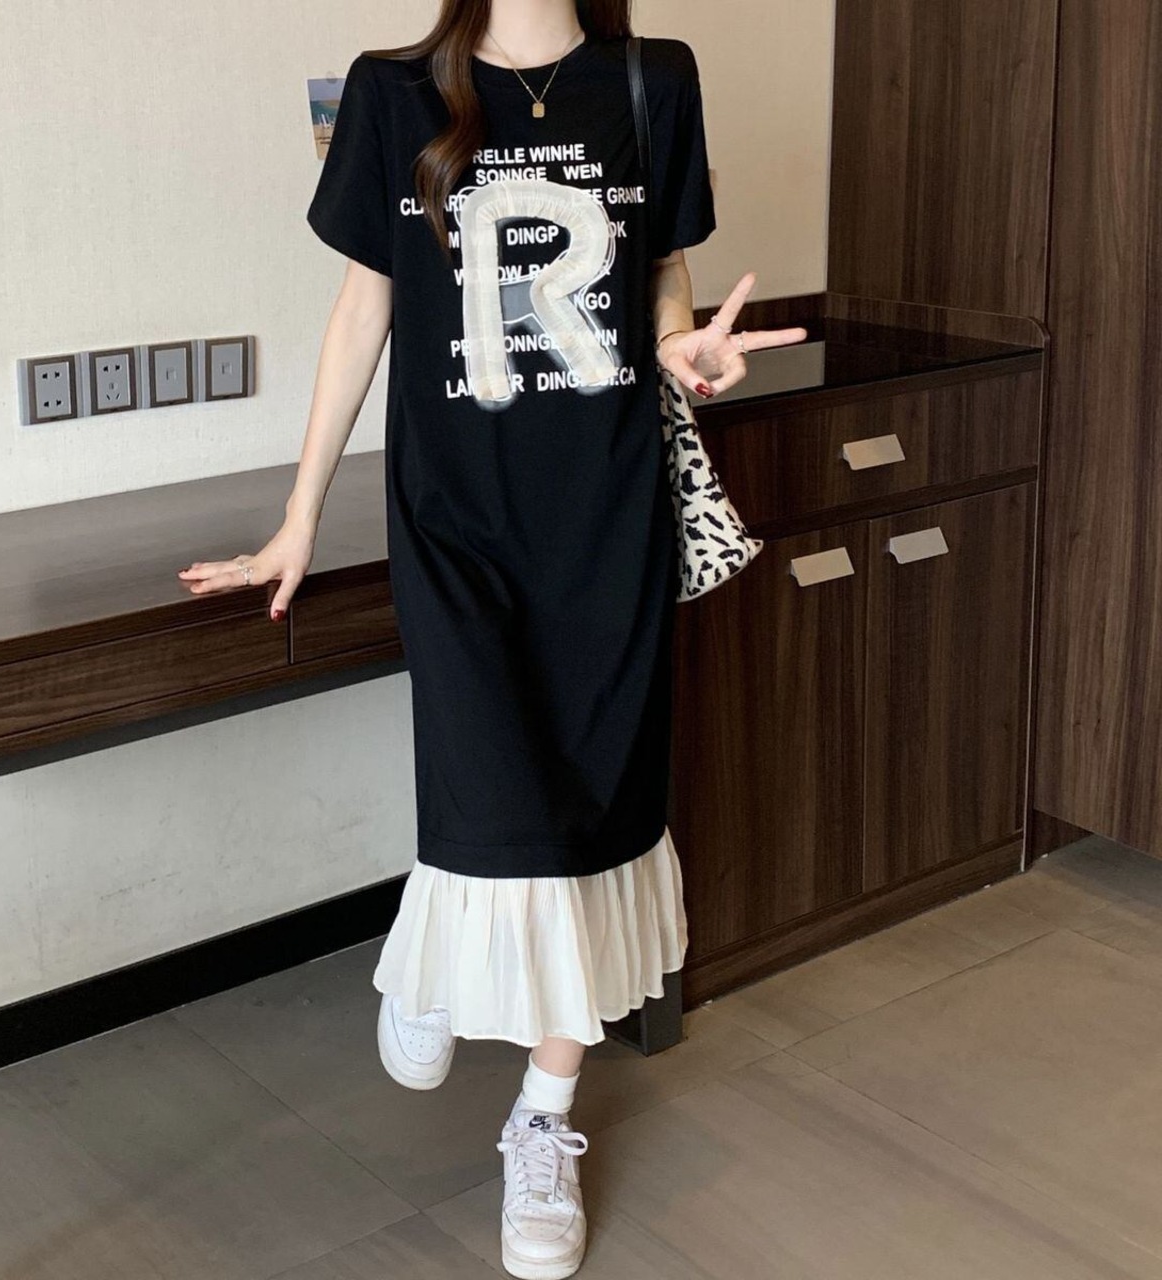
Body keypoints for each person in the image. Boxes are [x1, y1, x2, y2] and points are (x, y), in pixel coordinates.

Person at [181, 3, 806, 1275]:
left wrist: (683, 348)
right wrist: (298, 515)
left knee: (593, 811)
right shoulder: (391, 90)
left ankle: (542, 1115)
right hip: (456, 513)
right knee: (484, 777)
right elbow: (365, 305)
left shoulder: (652, 79)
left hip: (605, 510)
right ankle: (430, 961)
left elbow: (660, 269)